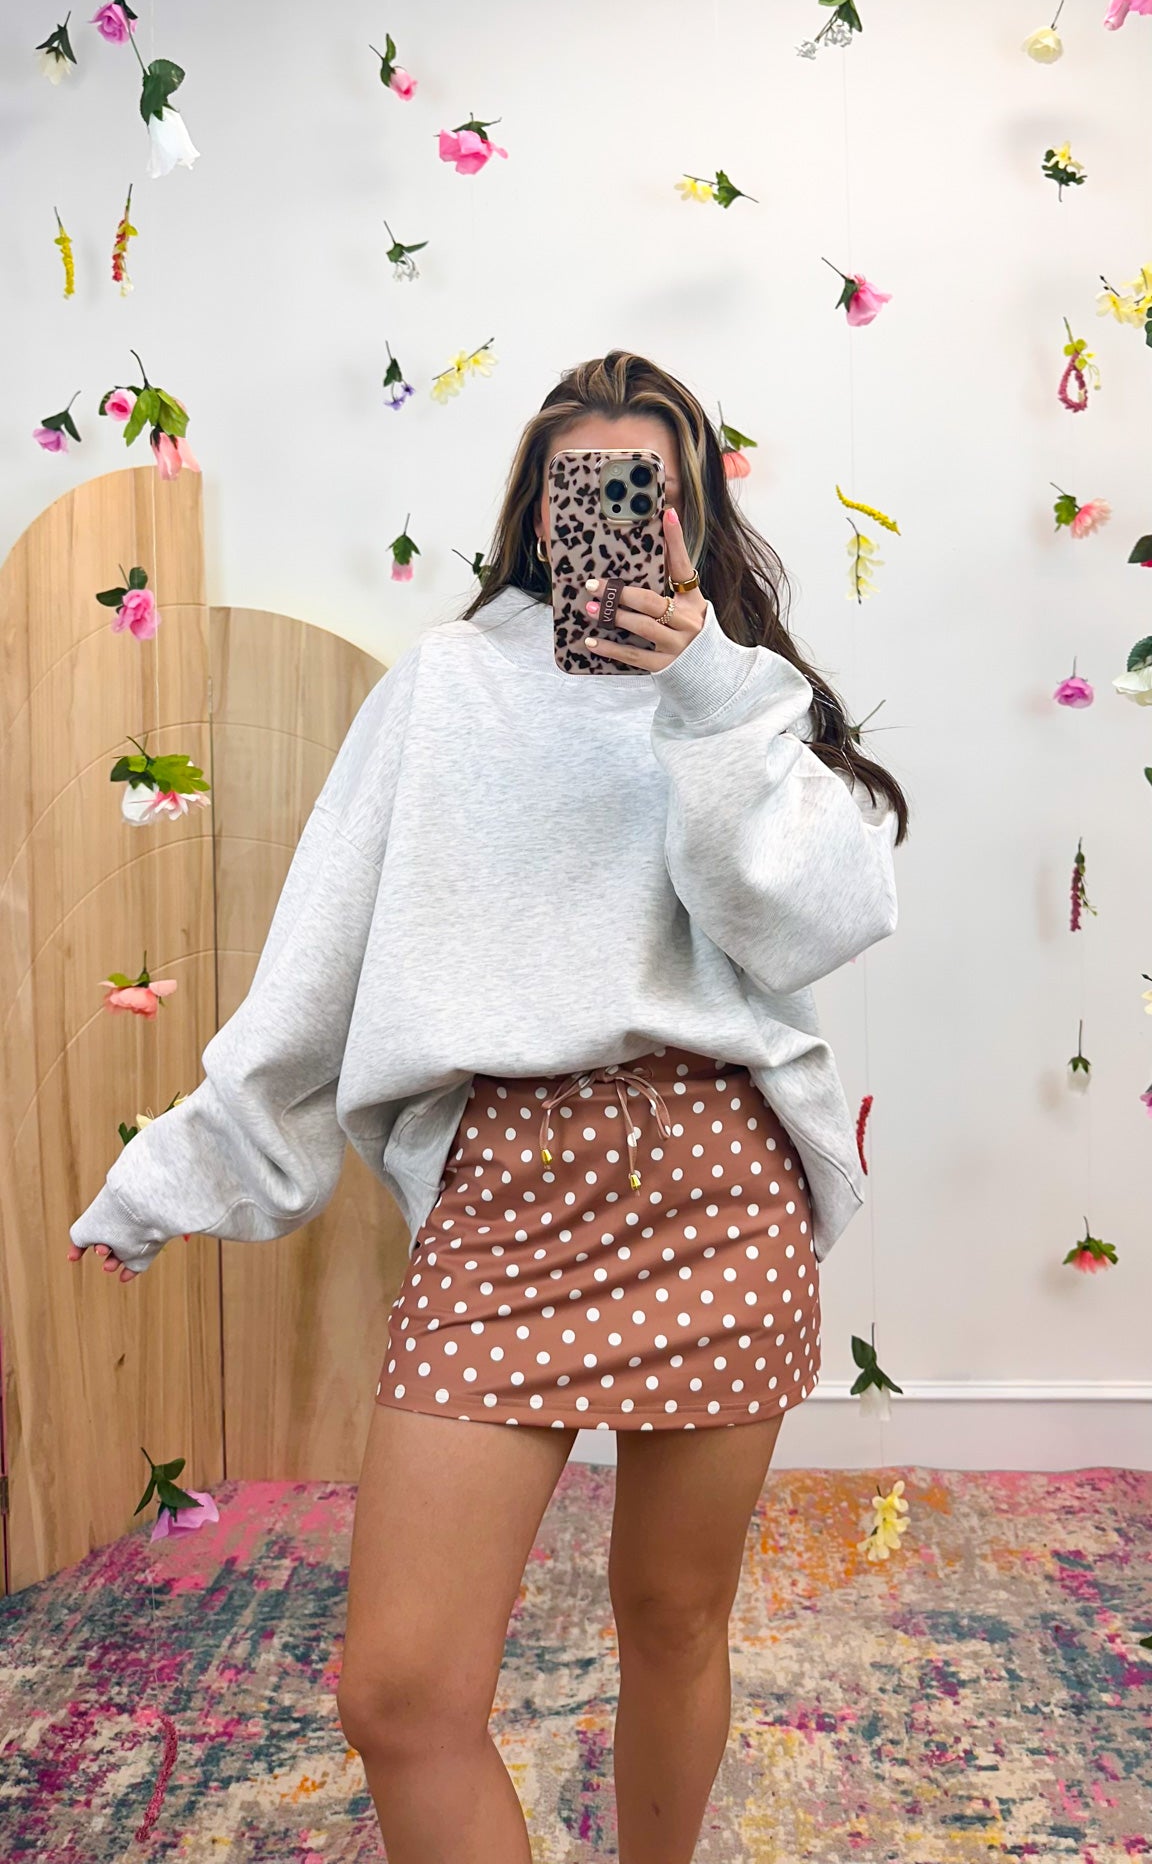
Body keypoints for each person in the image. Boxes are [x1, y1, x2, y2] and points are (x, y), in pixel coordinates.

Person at [69, 350, 907, 1863]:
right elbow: (318, 961)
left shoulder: (744, 697)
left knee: (673, 1617)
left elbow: (816, 924)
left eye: (647, 492)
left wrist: (709, 691)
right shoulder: (444, 687)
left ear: (694, 514)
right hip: (509, 1191)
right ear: (532, 508)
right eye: (583, 487)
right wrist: (175, 1170)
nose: (614, 520)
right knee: (400, 1696)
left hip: (717, 1179)